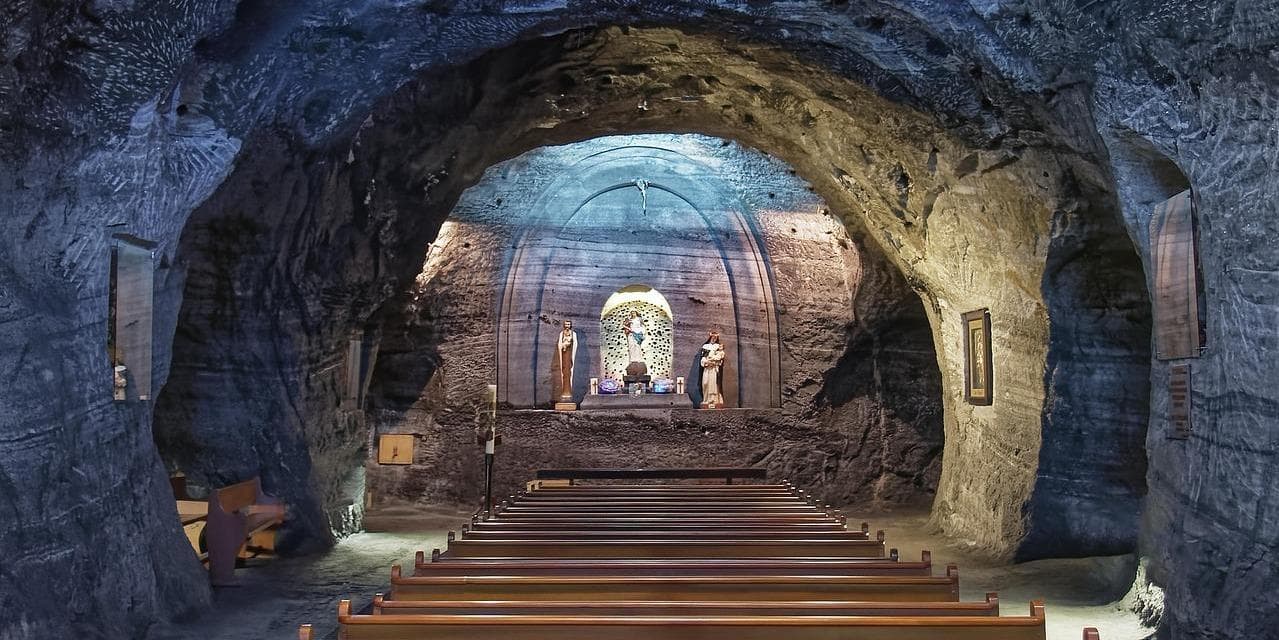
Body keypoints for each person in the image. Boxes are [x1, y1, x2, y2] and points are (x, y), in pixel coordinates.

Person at [699, 331, 725, 408]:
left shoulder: (718, 347)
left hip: (714, 368)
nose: (714, 338)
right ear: (710, 337)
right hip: (707, 368)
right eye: (712, 337)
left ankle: (714, 401)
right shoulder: (706, 346)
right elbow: (703, 358)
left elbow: (720, 358)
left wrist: (713, 361)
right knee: (705, 383)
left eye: (715, 337)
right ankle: (706, 400)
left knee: (714, 384)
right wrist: (706, 362)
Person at [557, 320, 577, 402]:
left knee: (569, 372)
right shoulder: (561, 333)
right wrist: (562, 346)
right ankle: (564, 392)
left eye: (569, 324)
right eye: (566, 324)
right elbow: (559, 343)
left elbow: (575, 344)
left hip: (569, 354)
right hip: (563, 354)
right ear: (564, 325)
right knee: (564, 372)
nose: (567, 326)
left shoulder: (573, 334)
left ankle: (568, 392)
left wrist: (569, 345)